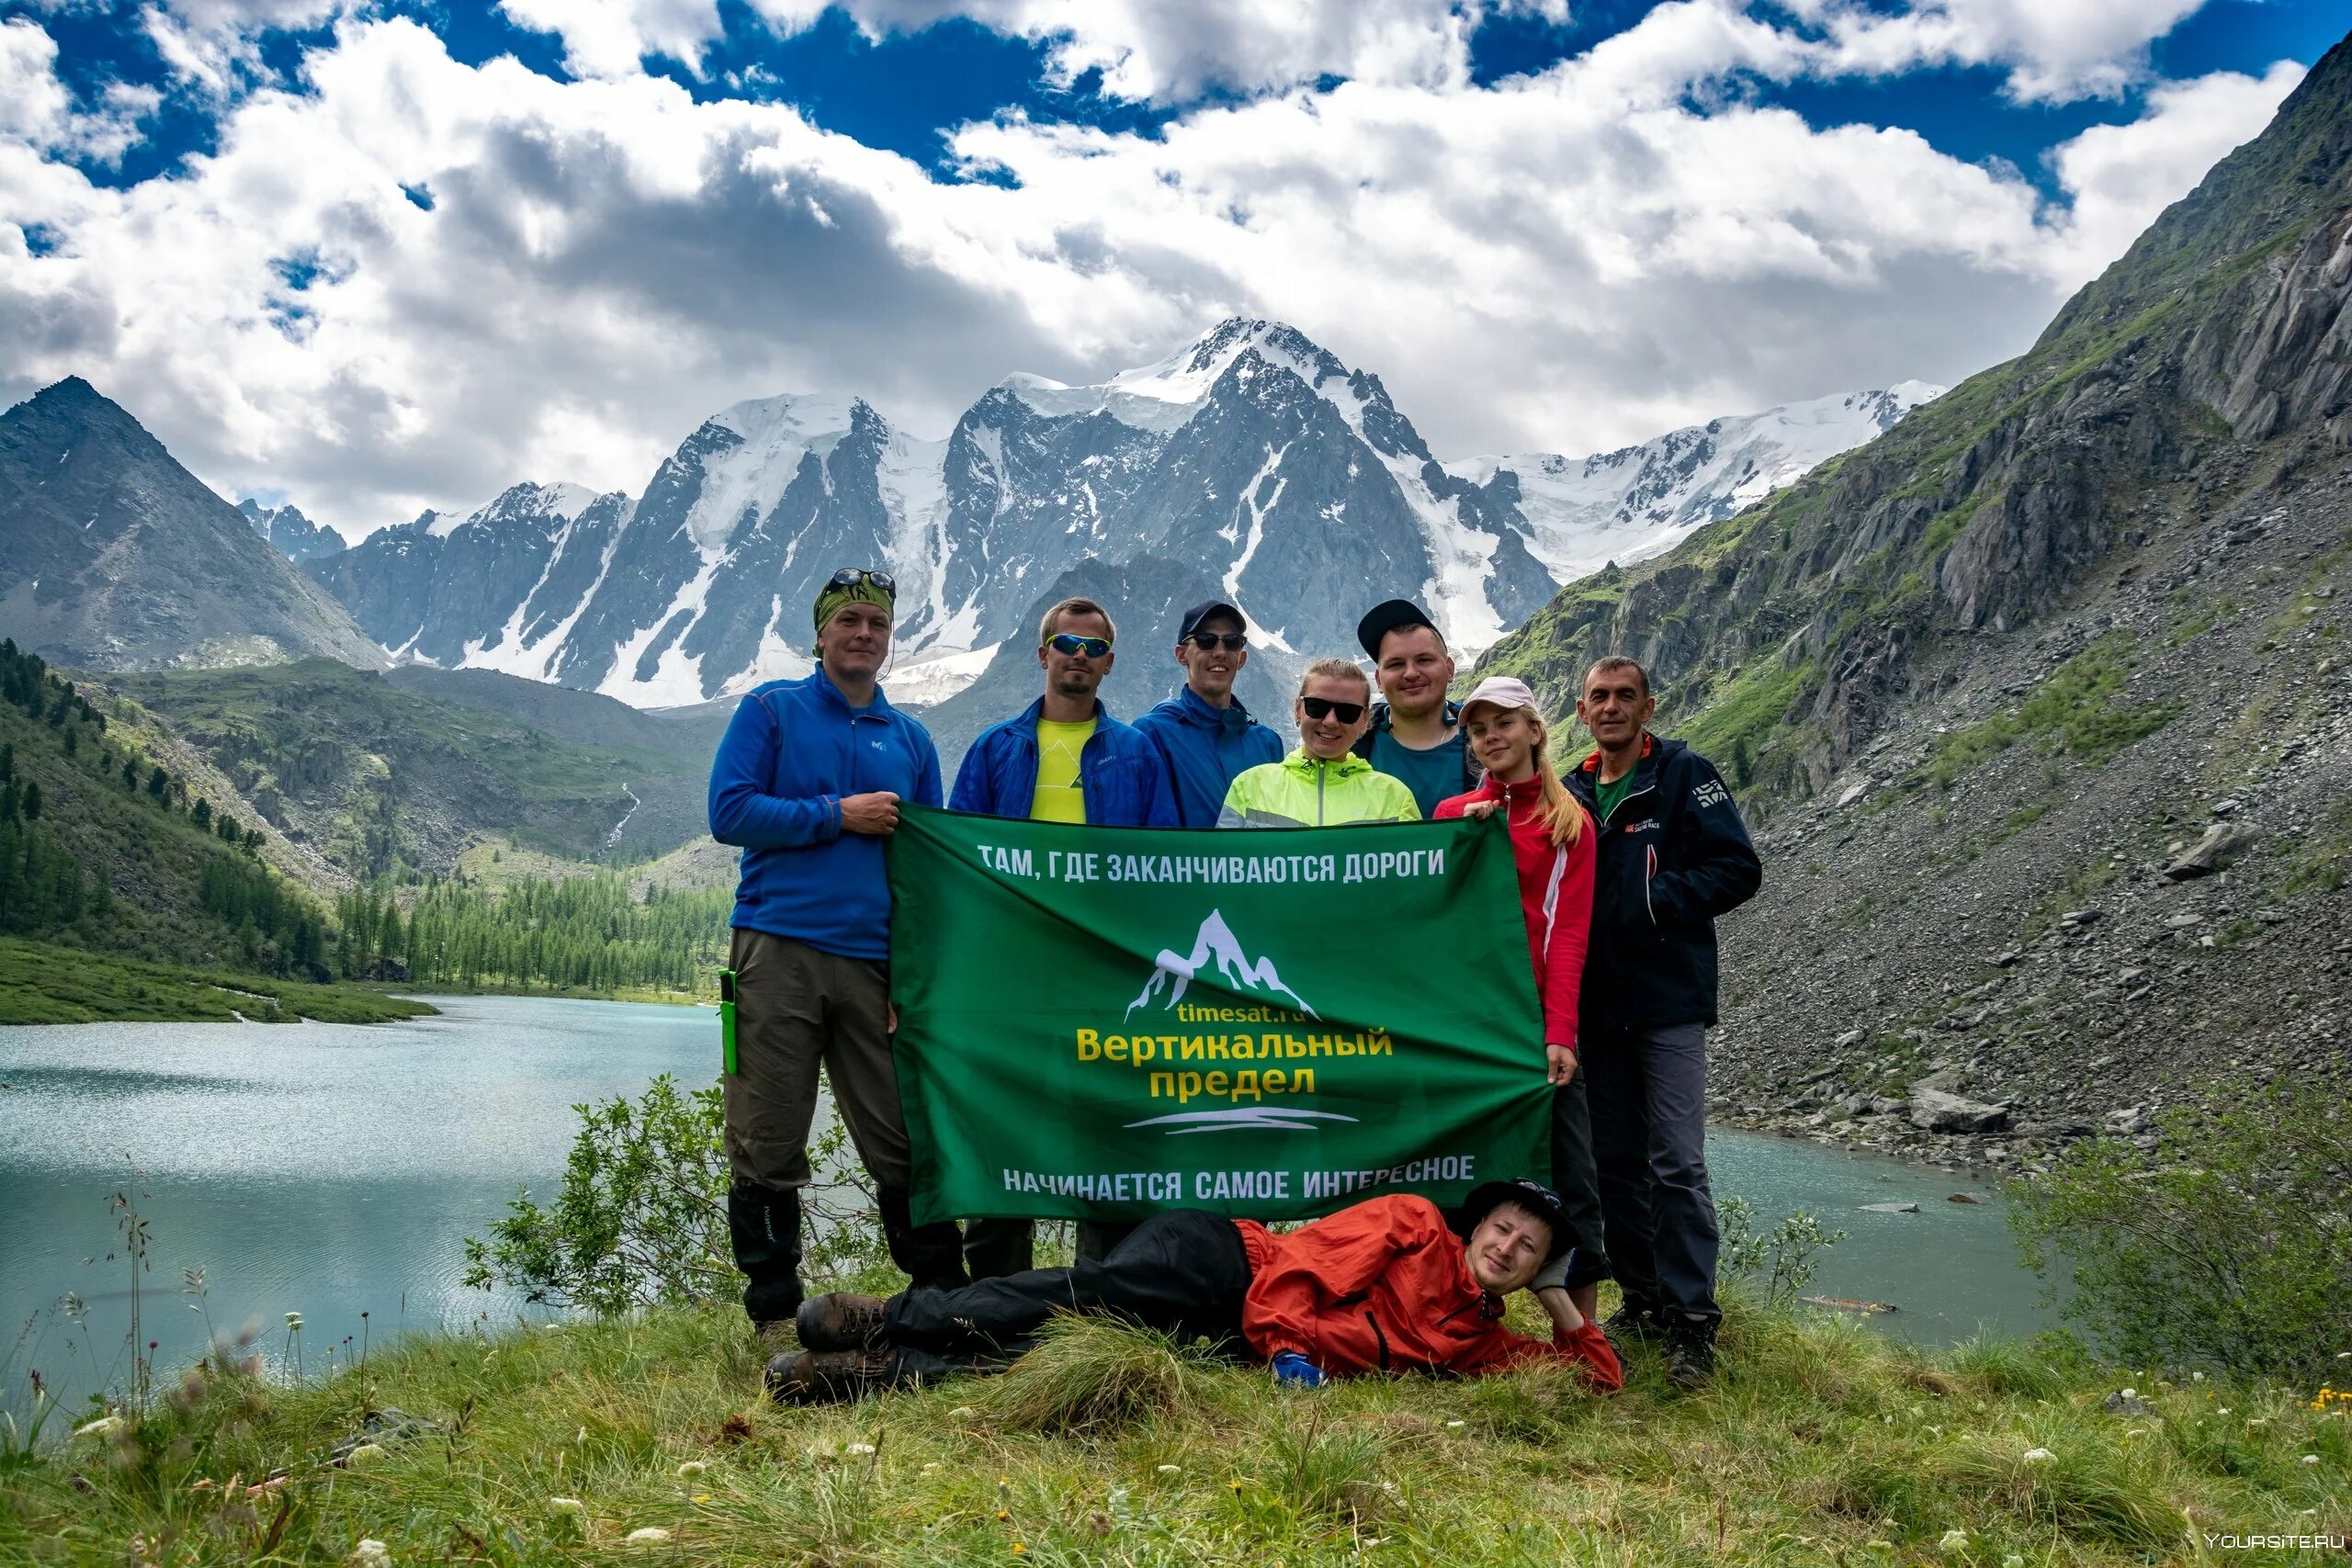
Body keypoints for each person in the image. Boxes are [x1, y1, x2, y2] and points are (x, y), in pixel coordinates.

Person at [706, 567, 967, 1331]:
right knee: (766, 1133)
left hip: (875, 966)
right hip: (776, 949)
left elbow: (925, 869)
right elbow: (729, 810)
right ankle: (774, 1315)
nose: (863, 634)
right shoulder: (772, 710)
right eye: (849, 620)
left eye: (877, 624)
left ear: (889, 639)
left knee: (904, 1136)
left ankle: (941, 1299)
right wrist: (837, 814)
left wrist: (911, 977)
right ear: (820, 633)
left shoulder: (911, 738)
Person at [766, 1179, 1623, 1402]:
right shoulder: (1410, 1222)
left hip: (1232, 1339)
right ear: (1474, 1228)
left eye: (1530, 1248)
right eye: (1502, 1230)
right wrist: (1291, 1354)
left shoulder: (1481, 1342)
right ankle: (891, 1312)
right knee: (1090, 1294)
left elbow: (1595, 1379)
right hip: (1226, 1262)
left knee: (1073, 1361)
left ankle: (878, 1370)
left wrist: (1559, 1301)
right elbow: (1299, 1275)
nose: (1507, 1248)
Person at [950, 595, 1178, 1276]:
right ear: (1042, 651)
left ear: (1109, 663)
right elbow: (959, 861)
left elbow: (1163, 865)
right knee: (1004, 1116)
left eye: (1092, 649)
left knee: (1106, 1122)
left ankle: (1103, 1289)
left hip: (1101, 974)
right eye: (1067, 645)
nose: (1078, 658)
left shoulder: (1136, 751)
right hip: (1012, 974)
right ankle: (994, 1291)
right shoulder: (995, 748)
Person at [1565, 656, 1762, 1391]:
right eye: (1598, 697)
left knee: (1675, 1162)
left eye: (1625, 696)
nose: (1611, 707)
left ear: (1649, 705)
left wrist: (1654, 898)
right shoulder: (1573, 788)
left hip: (1669, 1002)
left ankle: (1692, 1322)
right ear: (1581, 711)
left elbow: (1738, 867)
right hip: (1596, 1006)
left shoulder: (1685, 774)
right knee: (1614, 1161)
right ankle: (1642, 1301)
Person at [1431, 676, 1609, 1329]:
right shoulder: (1453, 816)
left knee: (1573, 1177)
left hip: (1533, 1029)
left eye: (1503, 722)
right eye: (1478, 729)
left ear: (1535, 729)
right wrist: (1469, 838)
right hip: (1465, 1028)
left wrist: (1559, 1031)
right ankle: (1453, 1319)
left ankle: (1579, 1335)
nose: (1490, 737)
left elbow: (1567, 935)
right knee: (1460, 1171)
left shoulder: (1569, 823)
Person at [1133, 599, 1283, 829]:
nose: (1220, 652)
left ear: (1241, 659)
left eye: (1232, 642)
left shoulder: (1267, 743)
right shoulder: (1152, 734)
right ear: (1181, 655)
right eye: (1206, 641)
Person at [1217, 660, 1420, 828]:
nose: (1330, 721)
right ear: (1298, 710)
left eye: (1347, 712)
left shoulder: (1395, 798)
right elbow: (1223, 868)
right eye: (1317, 707)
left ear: (1365, 720)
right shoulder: (1248, 787)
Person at [1350, 599, 1479, 819]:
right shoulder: (1352, 743)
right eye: (1396, 664)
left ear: (1449, 669)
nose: (1410, 673)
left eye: (1424, 660)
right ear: (1379, 680)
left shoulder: (1488, 741)